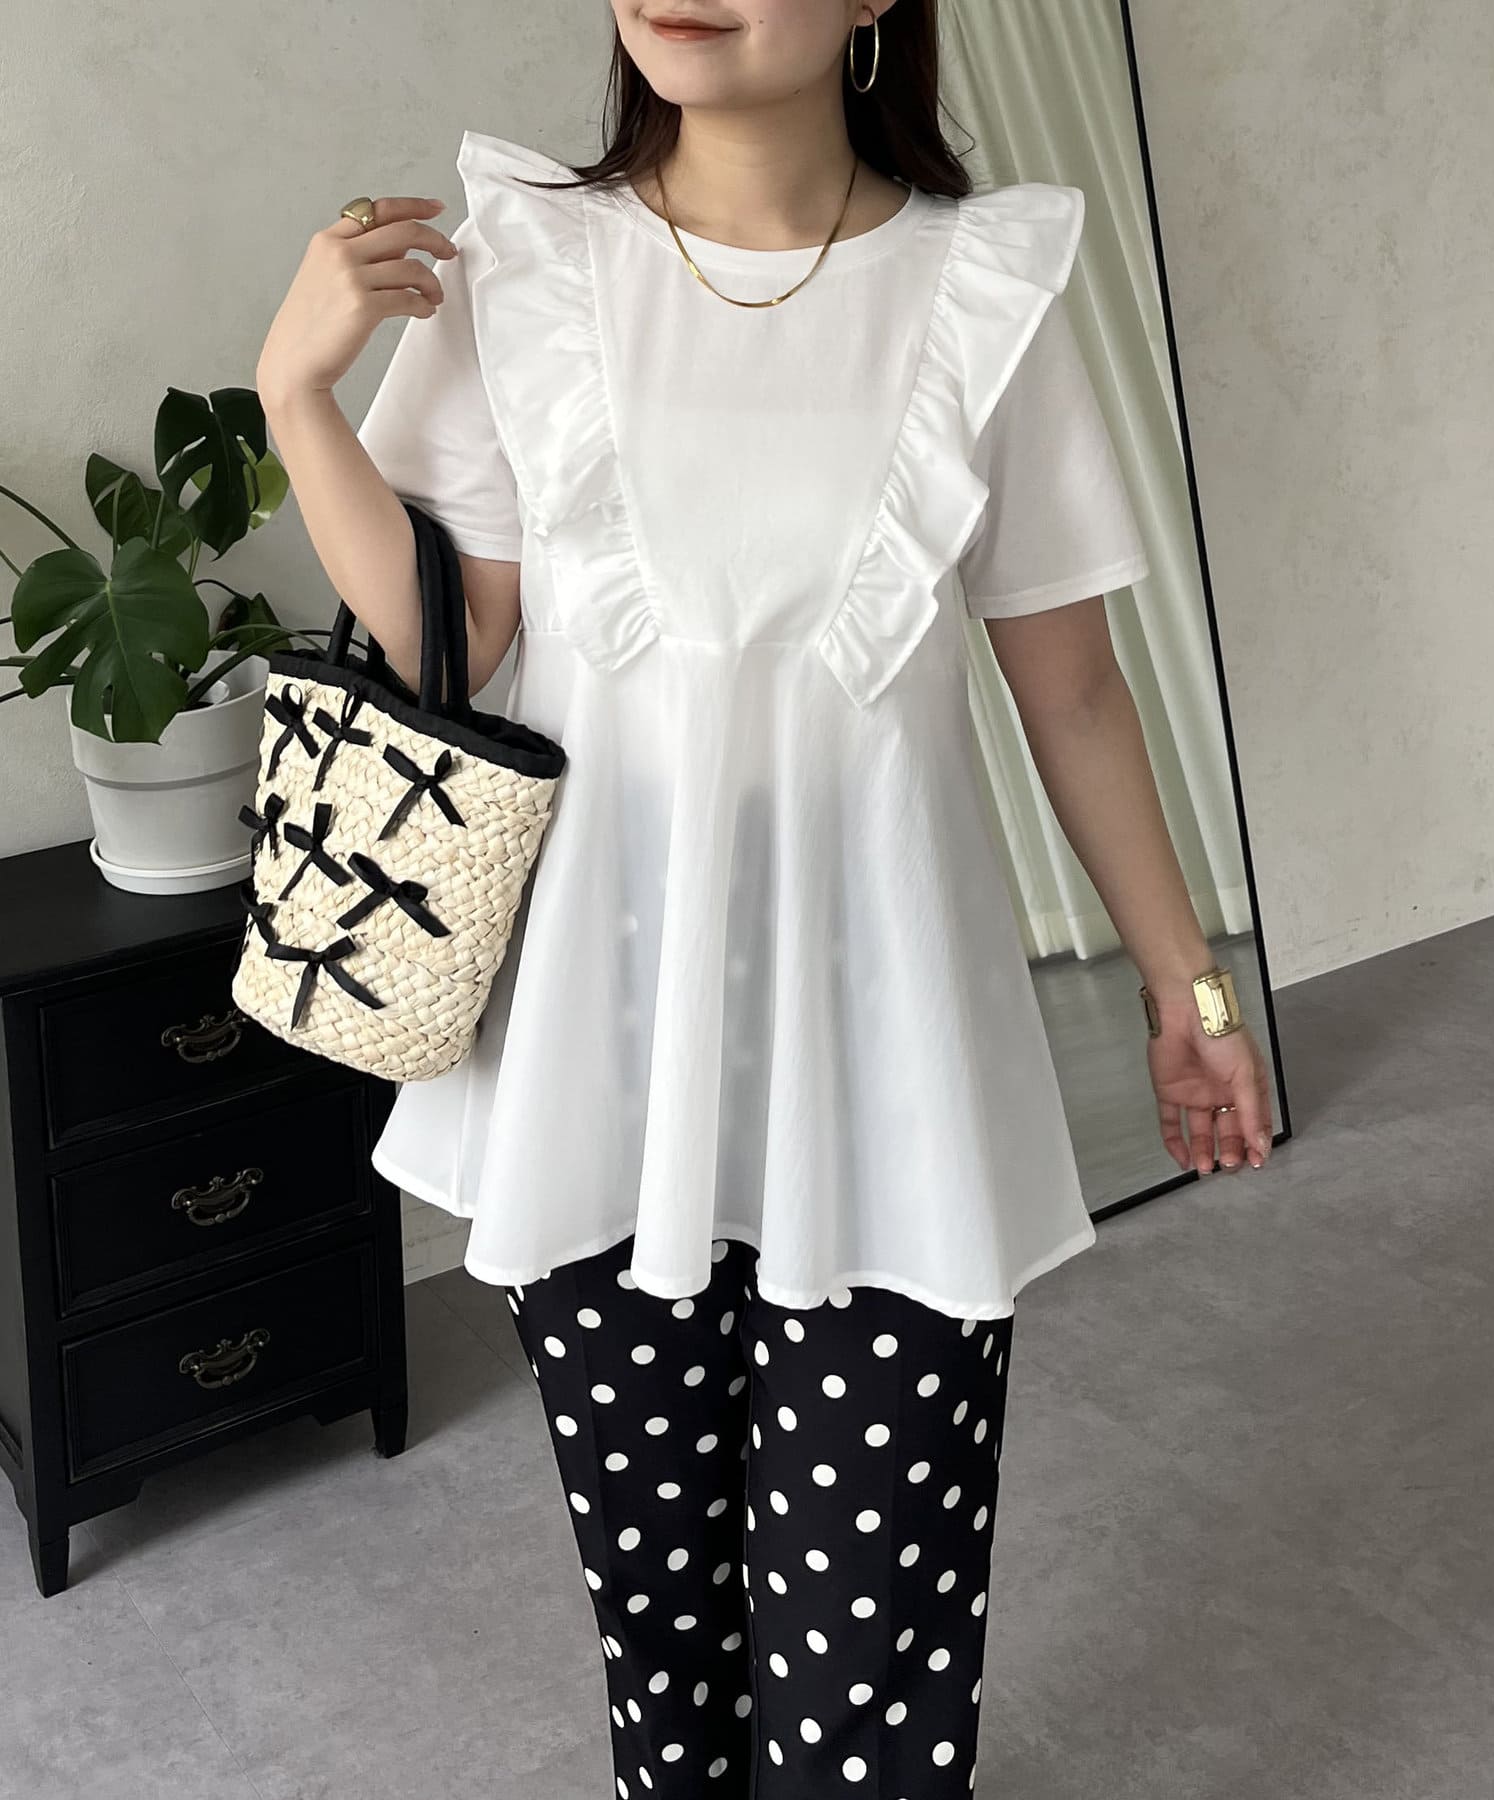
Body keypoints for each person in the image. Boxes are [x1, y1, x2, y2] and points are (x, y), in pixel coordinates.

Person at [256, 3, 1276, 1791]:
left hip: (889, 1076)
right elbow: (449, 646)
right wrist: (296, 399)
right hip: (592, 1066)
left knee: (873, 1681)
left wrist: (1187, 992)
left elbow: (1075, 694)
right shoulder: (528, 264)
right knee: (663, 1666)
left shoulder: (984, 293)